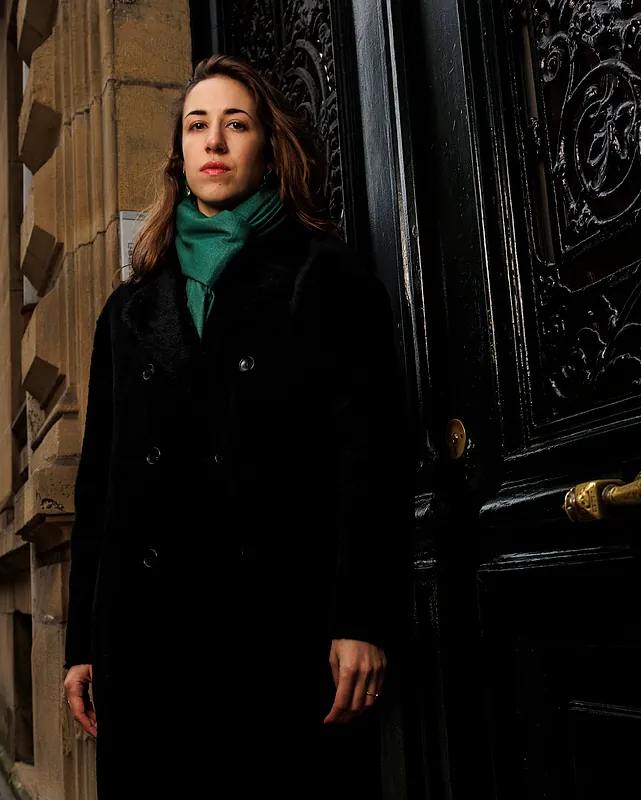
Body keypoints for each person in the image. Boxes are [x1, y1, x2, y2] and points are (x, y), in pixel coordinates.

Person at [62, 55, 410, 796]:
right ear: (180, 156)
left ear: (268, 149)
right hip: (146, 642)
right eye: (197, 126)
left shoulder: (328, 278)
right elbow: (100, 488)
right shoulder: (128, 311)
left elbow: (369, 459)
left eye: (236, 124)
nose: (214, 140)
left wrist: (360, 618)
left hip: (279, 634)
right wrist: (83, 644)